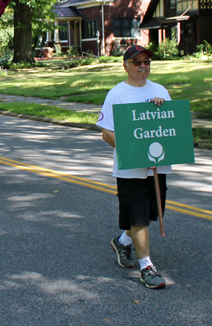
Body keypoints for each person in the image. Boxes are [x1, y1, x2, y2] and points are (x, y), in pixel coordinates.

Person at [97, 45, 171, 289]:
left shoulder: (160, 91)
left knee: (152, 213)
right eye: (137, 61)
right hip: (130, 169)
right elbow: (106, 133)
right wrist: (133, 154)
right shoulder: (117, 94)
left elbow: (171, 124)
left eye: (146, 62)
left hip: (157, 166)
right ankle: (147, 267)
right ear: (125, 65)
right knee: (139, 216)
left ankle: (122, 241)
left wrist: (162, 107)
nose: (143, 66)